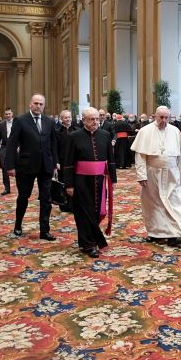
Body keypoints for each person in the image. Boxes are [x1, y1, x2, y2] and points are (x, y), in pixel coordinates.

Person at [62, 107, 116, 257]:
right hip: (81, 181)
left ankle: (86, 240)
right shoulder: (74, 136)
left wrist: (113, 179)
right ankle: (90, 244)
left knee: (97, 211)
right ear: (83, 120)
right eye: (92, 119)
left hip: (100, 179)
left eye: (97, 119)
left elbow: (110, 160)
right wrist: (69, 184)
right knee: (83, 212)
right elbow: (68, 162)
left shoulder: (105, 135)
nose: (95, 122)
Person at [131, 106, 181, 246]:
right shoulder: (145, 131)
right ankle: (155, 233)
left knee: (174, 201)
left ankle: (176, 233)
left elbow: (180, 156)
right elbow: (140, 156)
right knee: (153, 203)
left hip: (171, 173)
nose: (164, 120)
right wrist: (141, 175)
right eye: (161, 117)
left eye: (166, 117)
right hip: (152, 172)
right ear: (155, 116)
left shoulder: (174, 131)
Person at [4, 94, 58, 241]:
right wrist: (10, 166)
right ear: (30, 104)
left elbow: (53, 144)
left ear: (44, 106)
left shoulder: (49, 121)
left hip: (46, 166)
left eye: (41, 104)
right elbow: (11, 144)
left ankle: (44, 230)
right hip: (26, 166)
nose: (38, 106)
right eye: (36, 103)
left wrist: (55, 163)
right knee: (23, 197)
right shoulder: (20, 121)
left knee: (46, 199)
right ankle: (18, 225)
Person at [0, 108, 15, 195]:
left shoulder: (18, 123)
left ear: (12, 114)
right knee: (4, 168)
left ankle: (22, 187)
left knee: (20, 168)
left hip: (15, 147)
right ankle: (7, 188)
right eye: (6, 114)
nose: (8, 115)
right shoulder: (0, 125)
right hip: (4, 147)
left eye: (9, 114)